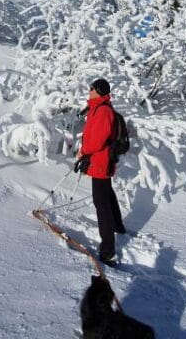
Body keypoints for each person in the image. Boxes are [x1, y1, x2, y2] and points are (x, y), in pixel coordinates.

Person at [76, 78, 125, 265]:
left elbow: (97, 140)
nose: (88, 91)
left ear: (98, 91)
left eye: (91, 88)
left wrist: (84, 151)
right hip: (99, 159)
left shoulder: (103, 110)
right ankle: (118, 226)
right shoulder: (97, 108)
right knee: (107, 194)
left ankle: (107, 251)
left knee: (101, 202)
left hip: (101, 161)